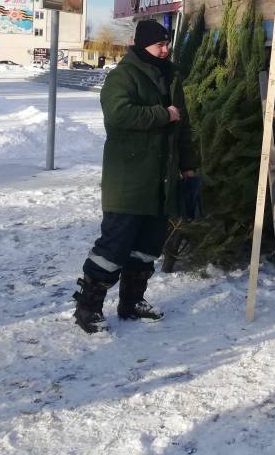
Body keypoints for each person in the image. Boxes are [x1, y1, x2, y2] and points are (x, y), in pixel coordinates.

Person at [72, 19, 197, 334]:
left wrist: (188, 166)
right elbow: (118, 113)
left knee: (148, 245)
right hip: (129, 178)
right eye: (159, 45)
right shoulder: (123, 76)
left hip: (161, 179)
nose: (165, 50)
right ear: (143, 45)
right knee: (114, 245)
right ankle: (88, 308)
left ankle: (132, 302)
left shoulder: (170, 76)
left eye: (167, 44)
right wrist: (162, 114)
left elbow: (182, 127)